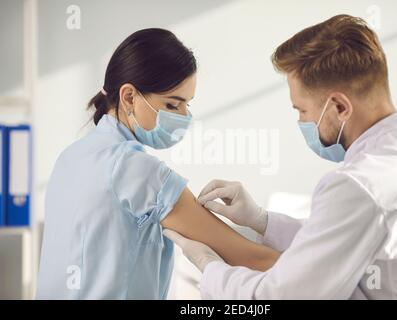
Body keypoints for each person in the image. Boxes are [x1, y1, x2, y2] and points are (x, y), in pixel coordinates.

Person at [164, 15, 397, 299]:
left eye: (301, 110)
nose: (302, 121)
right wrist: (260, 219)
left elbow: (283, 296)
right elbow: (336, 240)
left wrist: (209, 266)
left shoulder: (360, 184)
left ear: (339, 106)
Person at [37, 28, 279, 300]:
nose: (186, 116)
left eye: (187, 104)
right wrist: (324, 270)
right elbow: (253, 259)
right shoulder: (133, 168)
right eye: (173, 105)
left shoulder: (71, 156)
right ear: (129, 97)